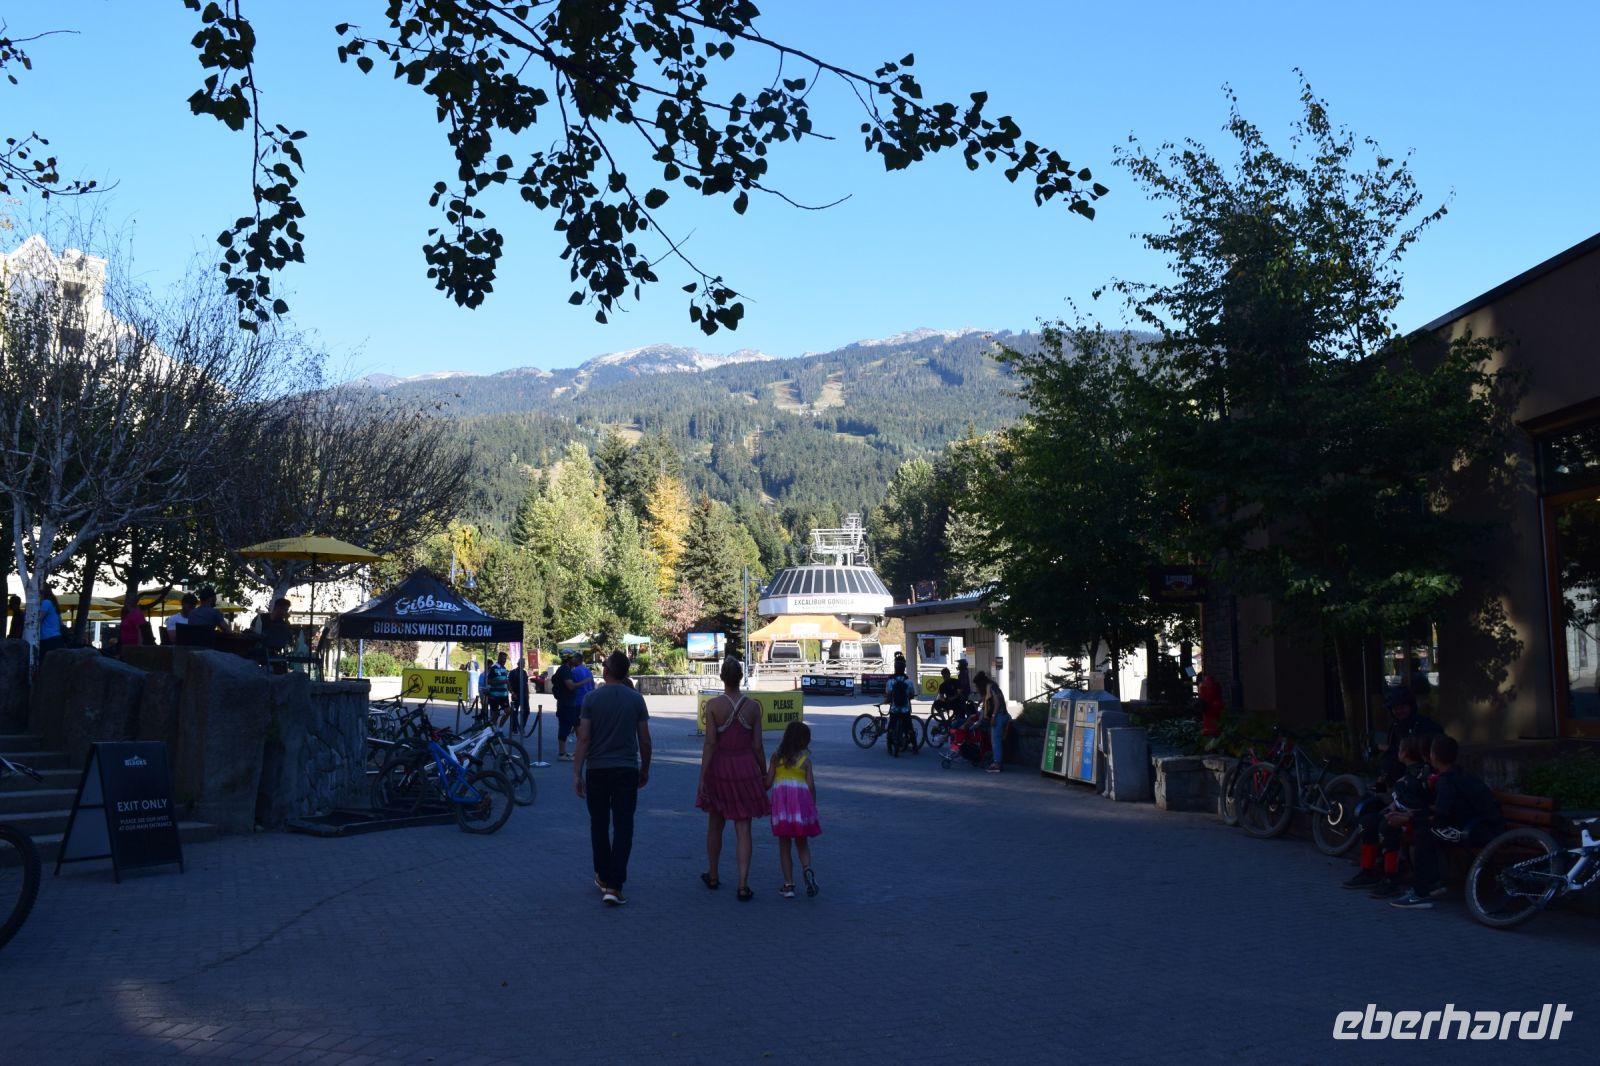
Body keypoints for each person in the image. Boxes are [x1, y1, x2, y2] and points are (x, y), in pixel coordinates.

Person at [572, 650, 652, 906]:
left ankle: (603, 876)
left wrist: (576, 771)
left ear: (608, 671)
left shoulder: (592, 699)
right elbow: (645, 739)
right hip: (626, 769)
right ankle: (615, 885)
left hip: (597, 769)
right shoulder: (636, 700)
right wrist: (645, 768)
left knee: (599, 824)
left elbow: (584, 738)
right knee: (623, 826)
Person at [1390, 735, 1503, 910]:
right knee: (1426, 828)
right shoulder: (1460, 774)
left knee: (1425, 832)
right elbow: (1447, 809)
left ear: (1433, 756)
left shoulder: (1446, 780)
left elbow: (1441, 817)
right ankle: (1433, 882)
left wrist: (1408, 818)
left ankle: (1421, 892)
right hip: (1486, 826)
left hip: (1475, 832)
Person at [696, 655, 770, 900]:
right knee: (743, 827)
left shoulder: (714, 706)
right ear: (740, 677)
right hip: (746, 769)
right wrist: (763, 771)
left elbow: (710, 745)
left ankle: (713, 874)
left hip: (720, 769)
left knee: (715, 824)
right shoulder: (753, 707)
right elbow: (758, 746)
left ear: (721, 678)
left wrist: (702, 776)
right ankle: (742, 884)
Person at [1342, 734, 1434, 897]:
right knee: (1367, 822)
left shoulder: (1421, 774)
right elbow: (1397, 797)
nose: (1398, 752)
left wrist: (1400, 813)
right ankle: (1367, 871)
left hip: (1413, 821)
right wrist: (1389, 807)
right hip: (1398, 814)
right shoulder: (1405, 771)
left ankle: (1392, 880)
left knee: (1387, 826)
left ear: (1404, 753)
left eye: (1399, 749)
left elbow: (1419, 803)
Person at [765, 721, 821, 899]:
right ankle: (807, 868)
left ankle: (789, 885)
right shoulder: (805, 761)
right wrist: (812, 805)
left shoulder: (776, 758)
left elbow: (767, 783)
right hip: (801, 806)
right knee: (802, 841)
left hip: (782, 806)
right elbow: (811, 786)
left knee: (784, 845)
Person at [976, 670, 1009, 773]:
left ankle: (997, 764)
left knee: (995, 741)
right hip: (1001, 716)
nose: (977, 688)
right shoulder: (991, 687)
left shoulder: (991, 687)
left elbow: (997, 702)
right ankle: (997, 762)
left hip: (999, 716)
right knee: (995, 740)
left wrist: (993, 716)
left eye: (977, 686)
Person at [885, 664, 918, 753]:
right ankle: (915, 747)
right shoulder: (908, 681)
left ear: (895, 669)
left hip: (894, 708)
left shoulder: (890, 681)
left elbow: (888, 695)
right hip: (905, 709)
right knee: (909, 727)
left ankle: (889, 747)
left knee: (891, 726)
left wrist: (887, 701)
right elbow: (911, 695)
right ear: (904, 669)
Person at [551, 651, 577, 760]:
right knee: (565, 727)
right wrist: (584, 682)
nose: (575, 659)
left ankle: (563, 752)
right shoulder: (565, 669)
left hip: (565, 702)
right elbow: (570, 686)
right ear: (569, 658)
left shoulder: (563, 669)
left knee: (566, 726)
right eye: (573, 657)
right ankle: (562, 753)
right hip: (566, 703)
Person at [484, 651, 512, 731]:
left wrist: (512, 692)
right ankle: (491, 731)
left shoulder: (504, 669)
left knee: (508, 711)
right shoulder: (494, 668)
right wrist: (501, 682)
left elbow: (507, 681)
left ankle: (500, 728)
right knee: (495, 715)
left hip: (504, 695)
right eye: (503, 659)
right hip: (494, 695)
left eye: (505, 659)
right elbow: (488, 681)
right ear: (499, 658)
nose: (504, 661)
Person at [37, 585, 64, 656]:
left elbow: (38, 619)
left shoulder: (46, 602)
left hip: (48, 639)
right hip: (56, 638)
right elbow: (61, 623)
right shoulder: (53, 603)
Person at [1196, 670, 1224, 738]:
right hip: (1212, 706)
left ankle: (1209, 731)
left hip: (1209, 707)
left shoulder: (1202, 685)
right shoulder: (1215, 685)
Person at [509, 657, 530, 735]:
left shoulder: (524, 673)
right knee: (514, 712)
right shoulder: (513, 672)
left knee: (527, 711)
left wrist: (528, 694)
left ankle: (521, 727)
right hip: (516, 695)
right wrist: (512, 693)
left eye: (524, 663)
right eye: (522, 663)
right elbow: (509, 684)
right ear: (518, 664)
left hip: (524, 695)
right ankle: (514, 729)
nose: (524, 665)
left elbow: (526, 684)